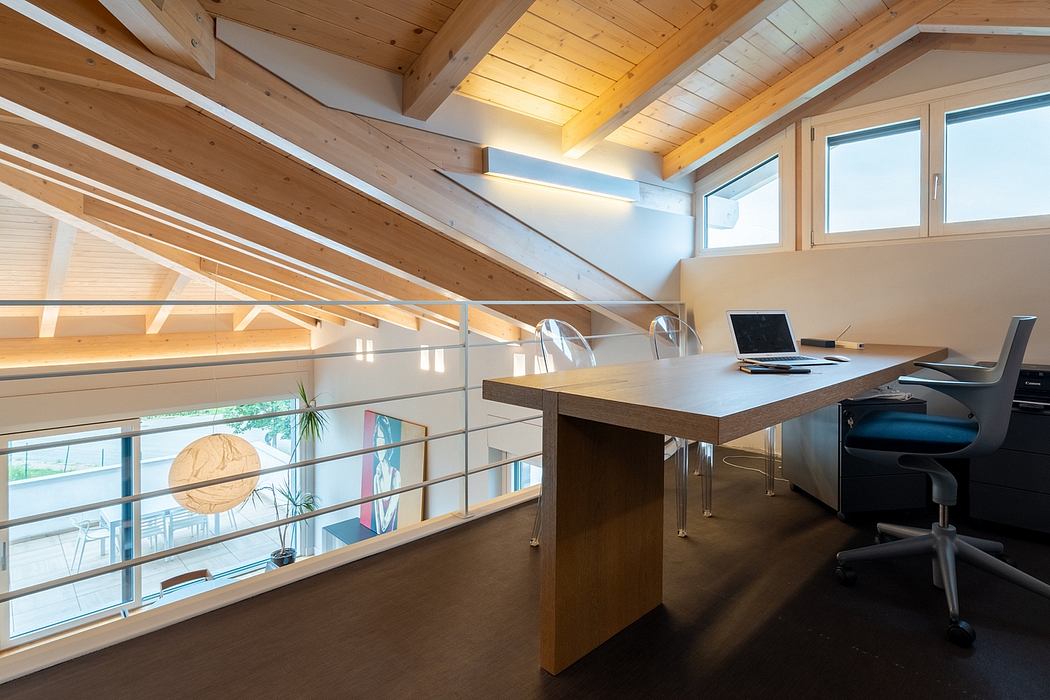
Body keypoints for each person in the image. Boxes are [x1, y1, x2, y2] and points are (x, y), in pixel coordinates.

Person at [370, 414, 401, 534]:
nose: (379, 444)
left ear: (388, 441)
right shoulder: (376, 478)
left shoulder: (396, 475)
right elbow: (378, 522)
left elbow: (386, 521)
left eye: (382, 439)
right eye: (377, 439)